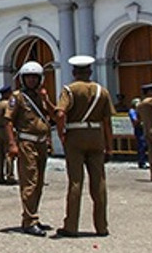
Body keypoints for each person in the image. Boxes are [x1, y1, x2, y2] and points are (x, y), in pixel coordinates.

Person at [54, 56, 113, 237]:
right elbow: (107, 121)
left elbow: (60, 112)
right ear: (90, 72)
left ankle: (71, 225)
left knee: (75, 181)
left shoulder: (69, 90)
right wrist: (109, 146)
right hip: (96, 136)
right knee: (99, 182)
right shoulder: (101, 91)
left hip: (75, 136)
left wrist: (61, 132)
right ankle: (101, 226)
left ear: (74, 72)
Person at [7, 60, 55, 236]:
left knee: (39, 182)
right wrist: (12, 144)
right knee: (29, 182)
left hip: (41, 143)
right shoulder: (18, 97)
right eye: (28, 78)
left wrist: (46, 99)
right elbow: (8, 121)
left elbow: (53, 115)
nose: (31, 81)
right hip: (26, 143)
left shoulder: (40, 97)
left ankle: (33, 215)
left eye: (35, 78)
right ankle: (29, 220)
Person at [0, 87, 17, 185]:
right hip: (7, 129)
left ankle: (0, 175)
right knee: (9, 153)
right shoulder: (9, 105)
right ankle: (10, 175)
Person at [129, 100, 147, 169]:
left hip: (143, 128)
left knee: (145, 145)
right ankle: (141, 162)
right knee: (141, 145)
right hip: (138, 129)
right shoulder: (132, 111)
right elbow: (135, 120)